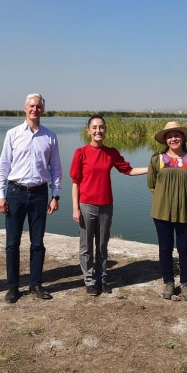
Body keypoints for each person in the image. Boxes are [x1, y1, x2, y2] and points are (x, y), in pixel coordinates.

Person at [70, 115, 148, 296]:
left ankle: (102, 278)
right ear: (88, 130)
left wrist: (152, 167)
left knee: (102, 245)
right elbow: (75, 182)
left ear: (105, 130)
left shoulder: (111, 152)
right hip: (86, 205)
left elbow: (128, 170)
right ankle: (89, 281)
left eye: (102, 127)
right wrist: (75, 208)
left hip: (106, 206)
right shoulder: (80, 152)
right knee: (86, 246)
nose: (98, 131)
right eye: (95, 127)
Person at [0, 93, 62, 304]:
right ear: (25, 108)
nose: (35, 109)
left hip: (40, 194)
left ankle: (35, 284)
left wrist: (55, 195)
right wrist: (0, 195)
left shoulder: (50, 136)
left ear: (43, 110)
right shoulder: (12, 134)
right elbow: (3, 167)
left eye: (39, 106)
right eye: (31, 106)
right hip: (15, 193)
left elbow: (56, 169)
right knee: (12, 243)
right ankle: (13, 287)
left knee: (38, 242)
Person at [147, 121, 187, 301]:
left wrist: (181, 198)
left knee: (185, 249)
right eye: (169, 136)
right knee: (165, 249)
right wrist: (166, 198)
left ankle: (186, 284)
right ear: (165, 139)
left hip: (186, 211)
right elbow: (152, 184)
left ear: (183, 138)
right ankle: (169, 283)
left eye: (176, 135)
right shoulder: (157, 159)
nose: (173, 138)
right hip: (162, 211)